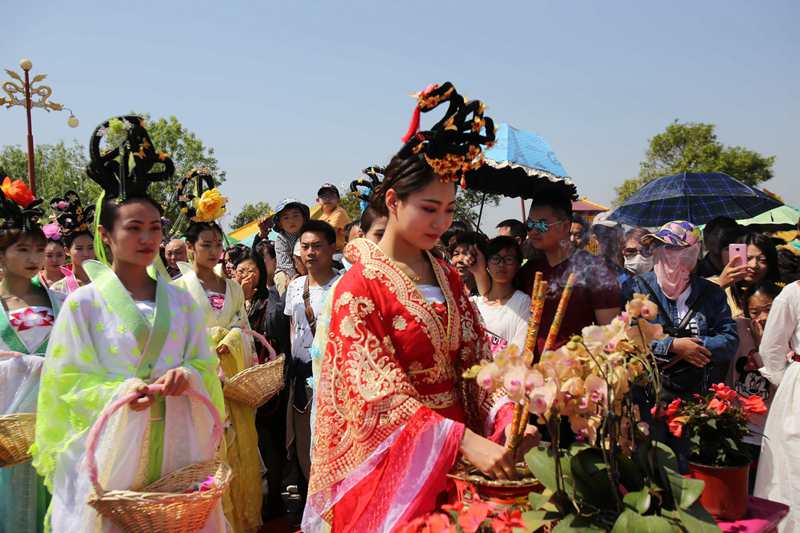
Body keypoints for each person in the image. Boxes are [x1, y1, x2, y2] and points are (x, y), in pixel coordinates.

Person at [304, 83, 535, 531]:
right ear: (393, 201)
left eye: (449, 210)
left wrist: (508, 417)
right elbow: (379, 396)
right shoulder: (358, 287)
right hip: (396, 463)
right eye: (430, 208)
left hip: (458, 452)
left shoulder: (448, 276)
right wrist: (465, 442)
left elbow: (475, 361)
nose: (443, 223)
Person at [31, 116, 225, 531]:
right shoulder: (84, 304)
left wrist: (186, 375)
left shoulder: (182, 302)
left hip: (177, 448)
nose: (147, 238)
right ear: (106, 234)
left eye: (155, 228)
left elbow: (205, 364)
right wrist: (121, 392)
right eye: (133, 228)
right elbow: (65, 382)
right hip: (111, 454)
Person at [174, 169, 262, 532]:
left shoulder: (235, 289)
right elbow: (177, 338)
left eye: (216, 244)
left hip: (234, 382)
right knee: (206, 453)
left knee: (241, 449)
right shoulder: (178, 289)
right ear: (190, 247)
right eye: (205, 244)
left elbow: (245, 329)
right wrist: (214, 348)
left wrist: (233, 345)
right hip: (201, 384)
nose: (212, 251)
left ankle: (240, 519)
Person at [621, 220, 738, 470]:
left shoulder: (711, 294)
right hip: (649, 399)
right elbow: (627, 339)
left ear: (693, 255)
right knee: (652, 468)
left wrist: (697, 346)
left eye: (677, 251)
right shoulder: (636, 288)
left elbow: (729, 340)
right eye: (663, 249)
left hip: (696, 402)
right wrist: (673, 345)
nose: (669, 257)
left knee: (692, 469)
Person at [0, 174, 61, 533]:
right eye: (22, 249)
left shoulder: (62, 303)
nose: (33, 258)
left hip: (53, 425)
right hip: (7, 432)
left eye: (38, 250)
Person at [517, 193, 620, 356]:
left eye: (542, 225)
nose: (533, 231)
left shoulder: (595, 270)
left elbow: (611, 336)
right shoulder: (529, 270)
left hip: (575, 371)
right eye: (530, 224)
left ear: (565, 226)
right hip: (534, 373)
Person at [231, 245, 292, 521]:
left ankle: (274, 502)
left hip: (266, 386)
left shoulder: (272, 301)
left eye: (252, 270)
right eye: (241, 270)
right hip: (236, 384)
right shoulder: (229, 301)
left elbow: (277, 339)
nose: (246, 276)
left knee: (270, 443)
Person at [283, 220, 341, 508]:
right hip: (301, 378)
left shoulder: (345, 285)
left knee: (332, 446)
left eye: (317, 246)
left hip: (336, 380)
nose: (310, 253)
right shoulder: (294, 286)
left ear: (332, 248)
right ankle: (311, 509)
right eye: (305, 246)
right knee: (305, 444)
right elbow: (293, 327)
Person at [754, 279, 800, 530]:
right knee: (793, 466)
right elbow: (771, 347)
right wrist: (789, 384)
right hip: (797, 393)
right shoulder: (792, 294)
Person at [726, 281, 781, 490]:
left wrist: (765, 344)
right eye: (755, 311)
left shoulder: (791, 336)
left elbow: (778, 376)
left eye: (769, 308)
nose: (763, 317)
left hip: (771, 431)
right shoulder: (740, 329)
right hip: (739, 428)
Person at [470, 236, 531, 356]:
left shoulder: (523, 302)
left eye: (508, 259)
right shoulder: (474, 303)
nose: (501, 264)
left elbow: (519, 348)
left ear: (518, 265)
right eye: (495, 259)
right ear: (486, 263)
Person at [712, 231, 780, 318]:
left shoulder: (782, 292)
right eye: (748, 258)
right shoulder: (713, 285)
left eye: (762, 260)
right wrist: (720, 286)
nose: (754, 265)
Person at [47, 191, 97, 296]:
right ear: (67, 251)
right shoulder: (58, 290)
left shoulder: (105, 283)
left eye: (90, 247)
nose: (86, 253)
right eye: (79, 248)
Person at [273, 199, 310, 291]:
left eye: (296, 215)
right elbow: (285, 264)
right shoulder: (281, 239)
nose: (291, 221)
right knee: (280, 277)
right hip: (289, 272)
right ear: (280, 224)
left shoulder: (311, 233)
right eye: (286, 218)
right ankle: (286, 302)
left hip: (310, 268)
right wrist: (295, 278)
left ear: (304, 218)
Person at [448, 230, 489, 296]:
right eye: (456, 254)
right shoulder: (449, 290)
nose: (460, 259)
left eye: (466, 253)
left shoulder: (494, 290)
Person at [314, 183, 351, 252]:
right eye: (324, 196)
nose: (327, 198)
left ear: (338, 200)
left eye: (331, 196)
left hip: (341, 252)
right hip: (326, 250)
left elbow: (329, 233)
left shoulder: (339, 212)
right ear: (317, 200)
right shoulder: (319, 215)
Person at [37, 223, 66, 288]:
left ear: (65, 253)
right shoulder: (34, 283)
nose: (54, 260)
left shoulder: (74, 280)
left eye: (59, 255)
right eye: (49, 255)